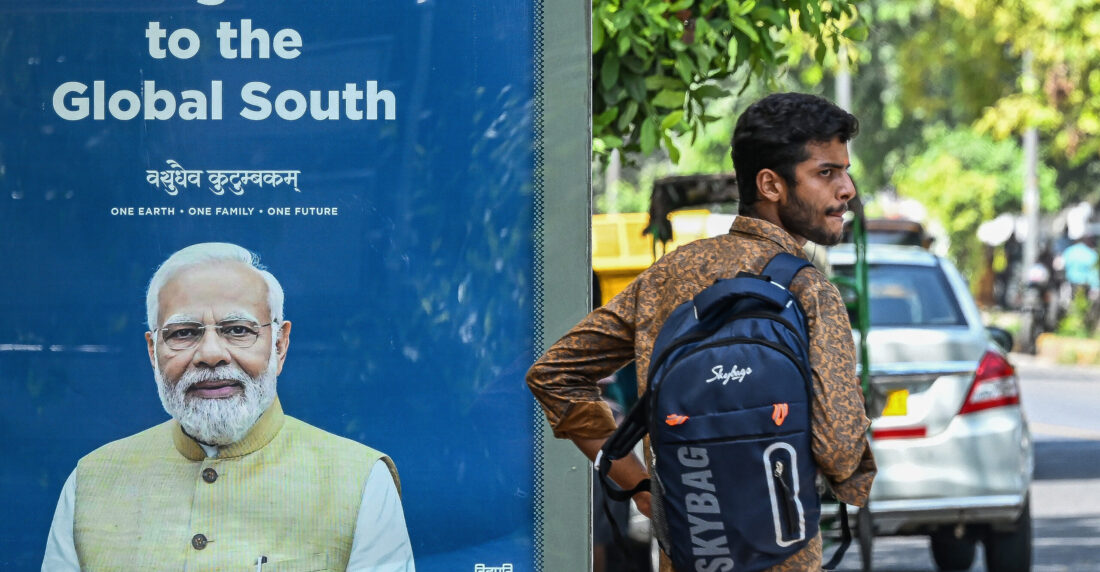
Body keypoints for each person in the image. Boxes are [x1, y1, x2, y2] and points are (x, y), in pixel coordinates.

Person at [526, 92, 876, 571]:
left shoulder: (667, 277)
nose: (847, 188)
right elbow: (839, 456)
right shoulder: (810, 292)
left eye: (844, 170)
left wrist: (639, 485)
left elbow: (553, 375)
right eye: (827, 172)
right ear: (770, 184)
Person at [42, 242, 414, 571]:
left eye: (238, 330)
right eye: (183, 333)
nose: (211, 354)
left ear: (280, 346)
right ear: (153, 352)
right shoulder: (91, 481)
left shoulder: (360, 482)